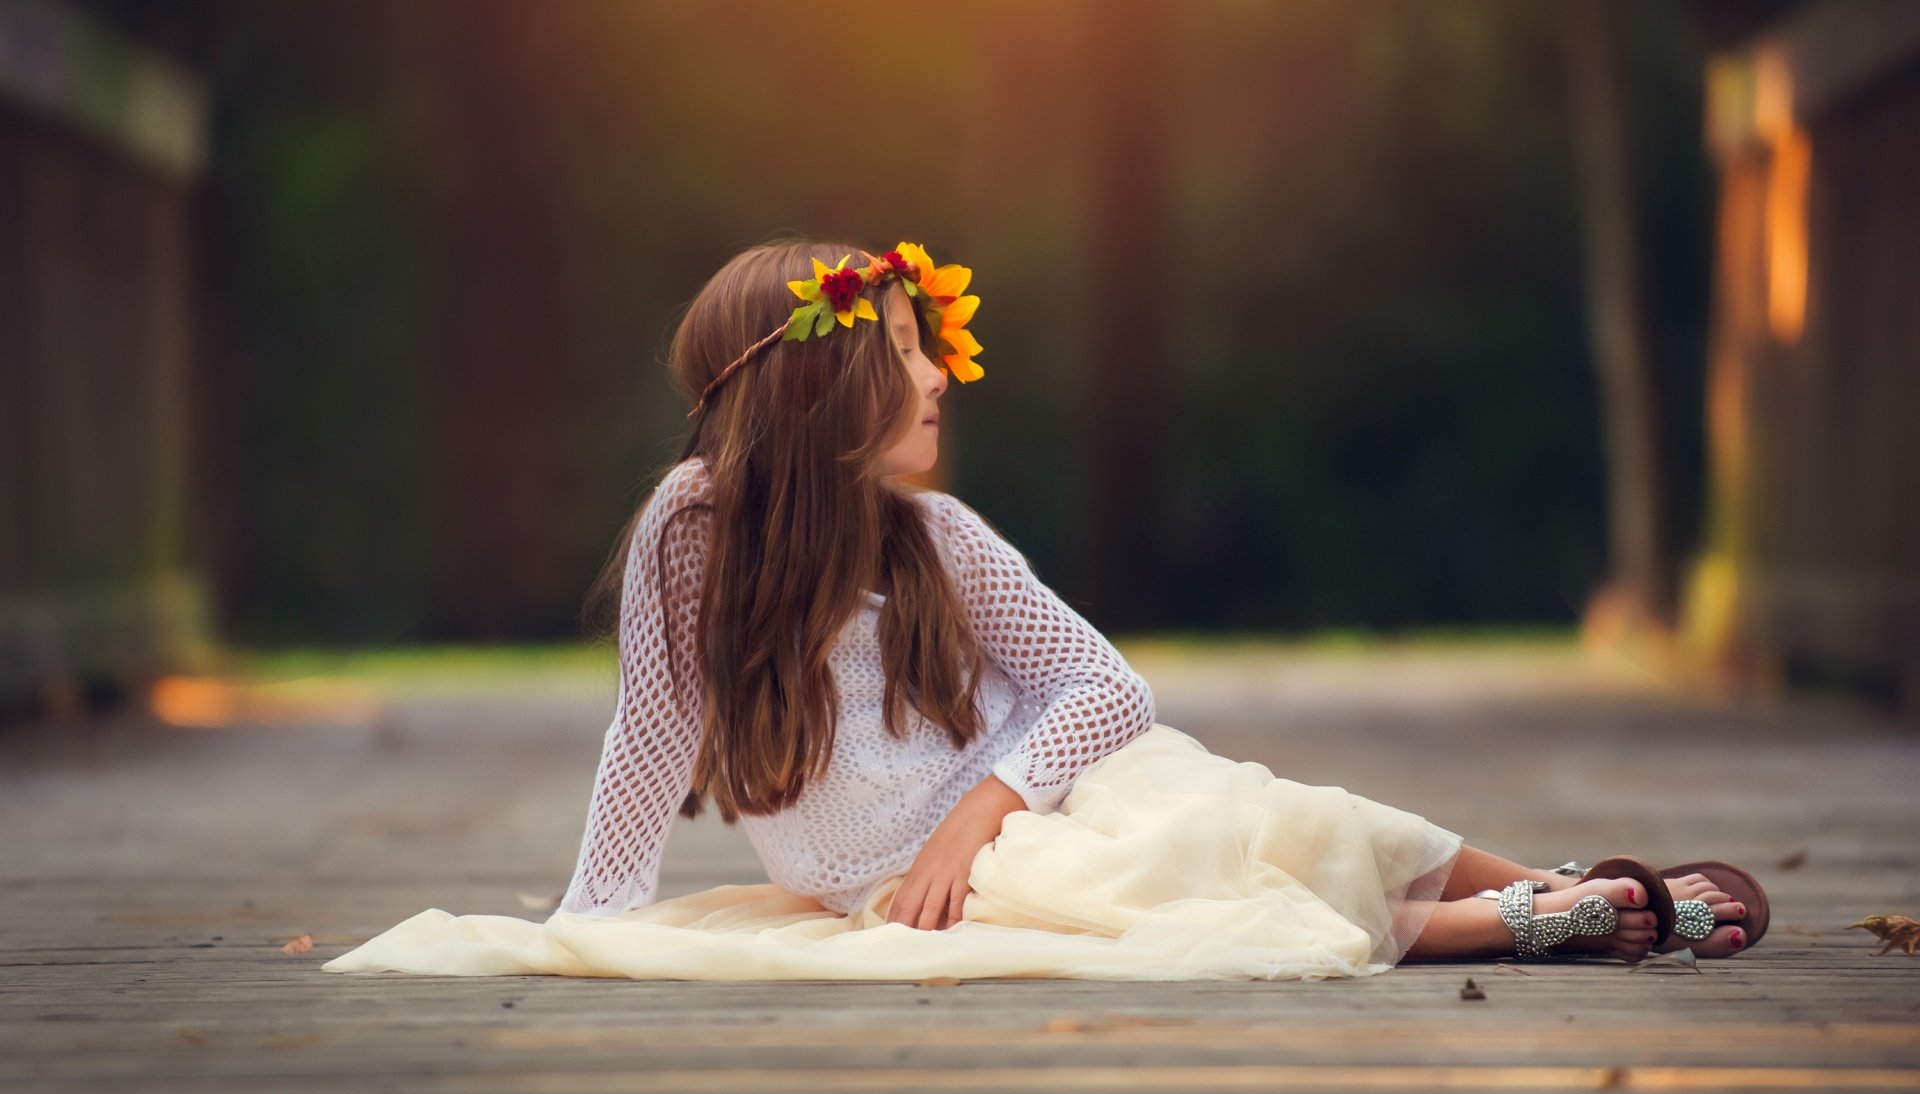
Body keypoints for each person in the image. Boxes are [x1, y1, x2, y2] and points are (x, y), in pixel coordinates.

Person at [322, 238, 1765, 983]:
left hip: (1022, 803)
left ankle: (1561, 881)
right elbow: (648, 739)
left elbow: (1107, 690)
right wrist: (596, 916)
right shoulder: (690, 535)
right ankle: (1538, 922)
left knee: (1243, 808)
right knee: (1154, 897)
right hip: (922, 883)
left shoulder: (936, 536)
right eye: (904, 347)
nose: (942, 374)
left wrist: (977, 808)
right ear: (817, 383)